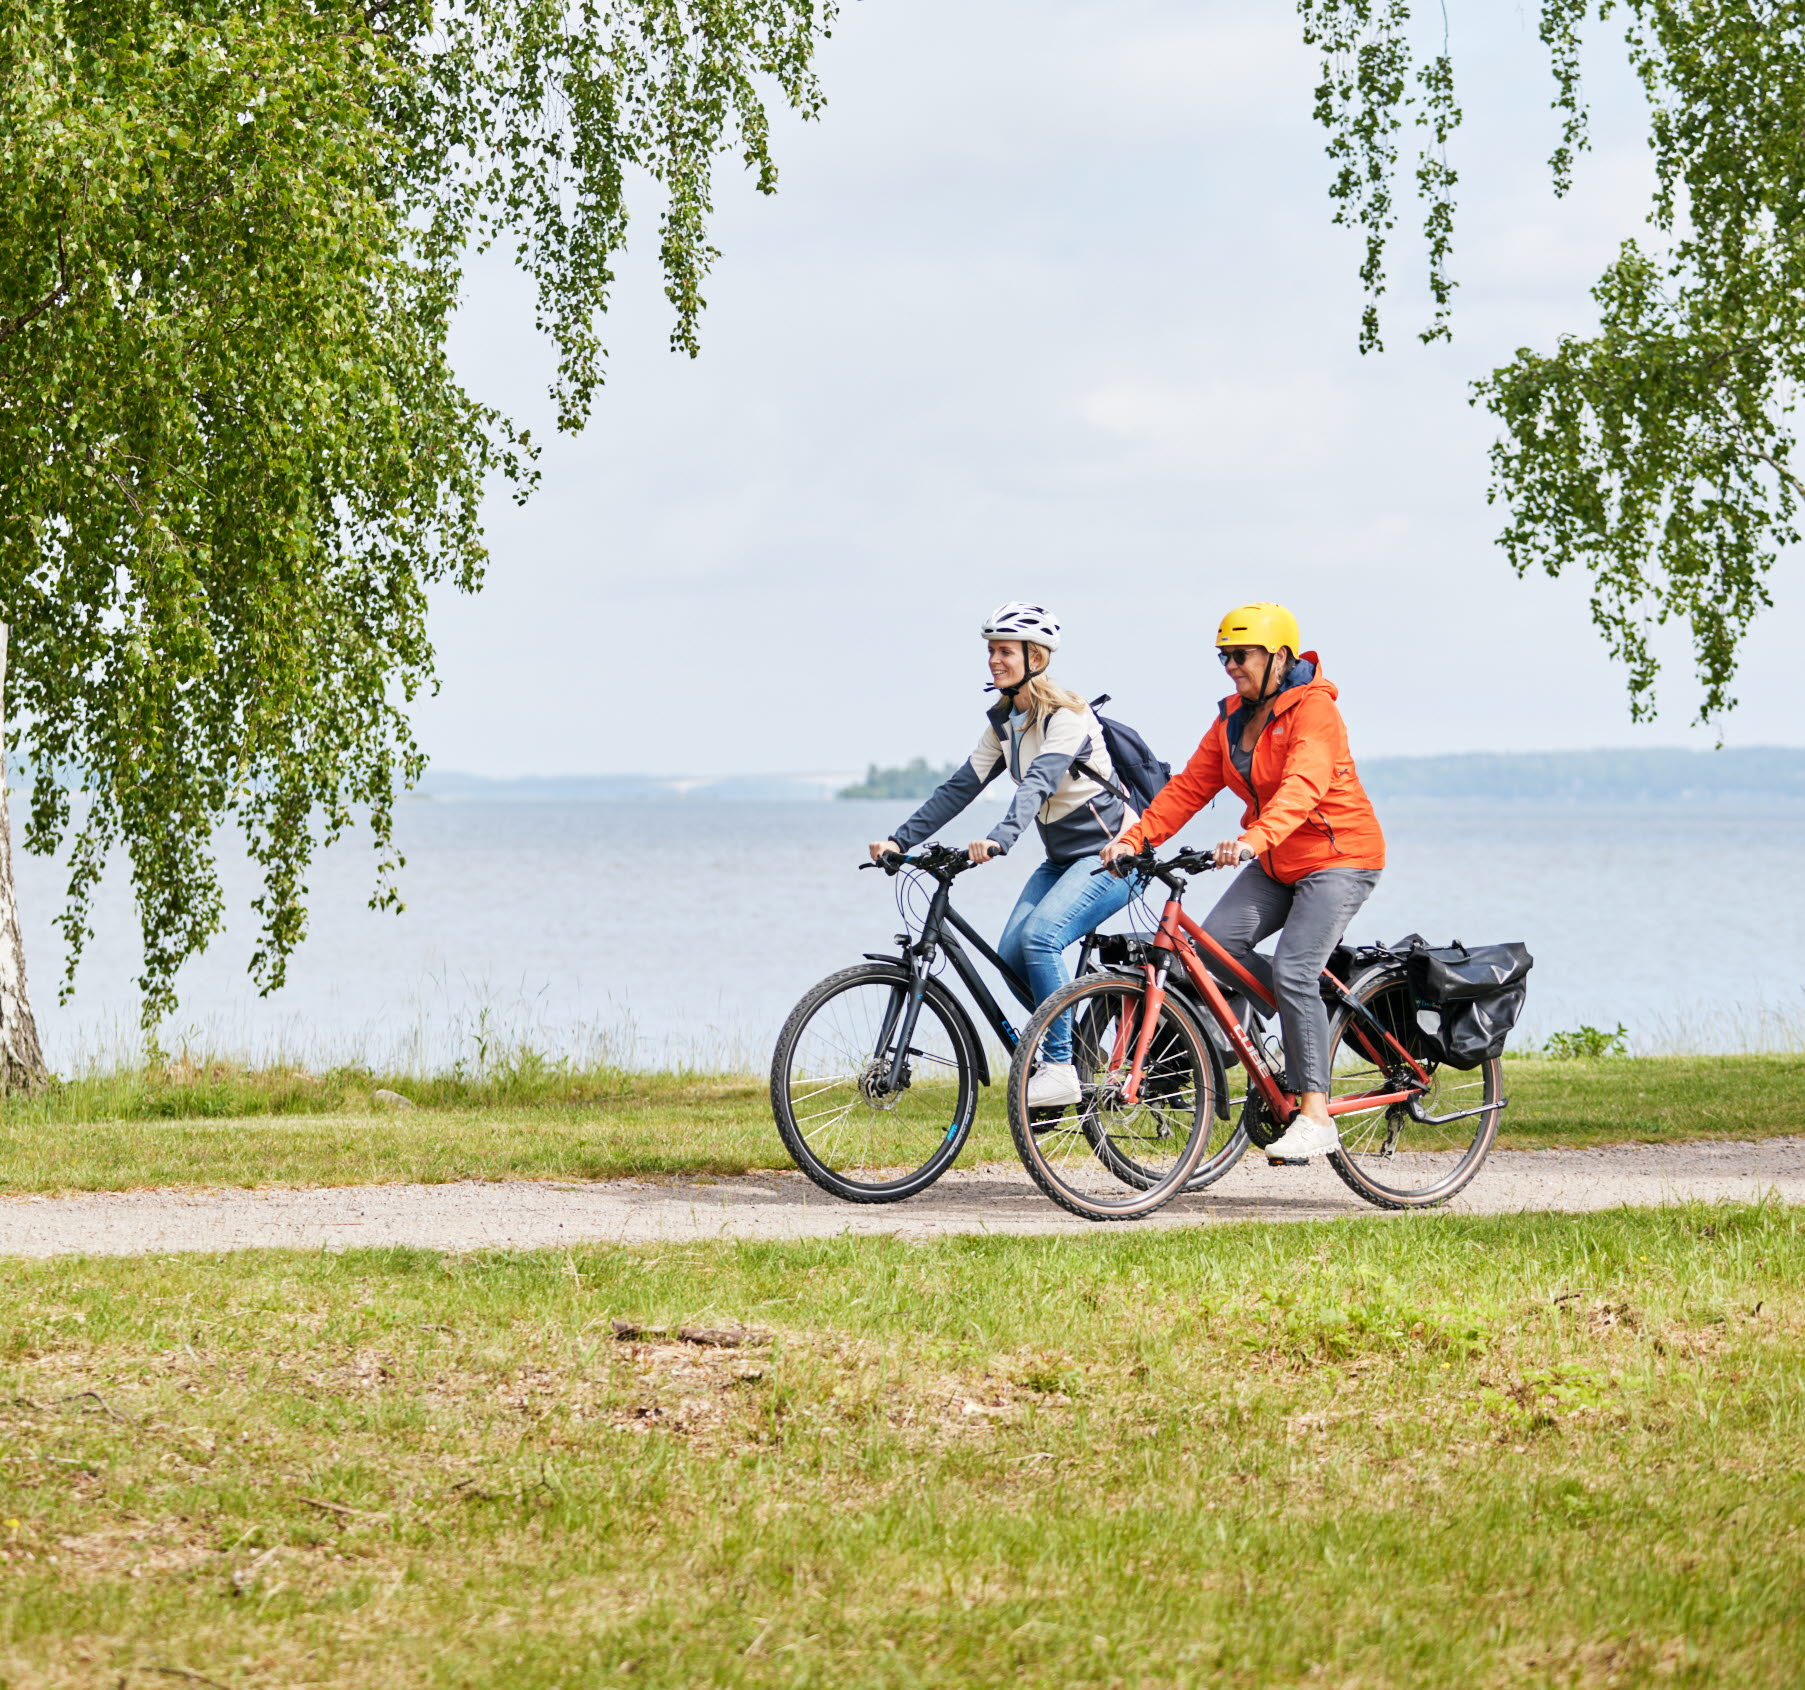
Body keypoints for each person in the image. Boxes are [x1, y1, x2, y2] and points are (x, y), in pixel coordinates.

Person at [1101, 602, 1385, 1162]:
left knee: (1295, 965)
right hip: (1278, 861)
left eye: (1241, 655)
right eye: (1223, 656)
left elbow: (1302, 788)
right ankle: (1310, 1011)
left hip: (1339, 856)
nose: (1230, 665)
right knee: (1213, 950)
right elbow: (1187, 789)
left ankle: (1315, 1113)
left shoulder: (1315, 712)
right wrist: (1136, 838)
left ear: (1279, 656)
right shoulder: (1233, 717)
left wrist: (1254, 839)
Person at [868, 602, 1140, 1107]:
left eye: (1005, 651)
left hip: (1113, 856)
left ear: (1035, 656)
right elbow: (958, 788)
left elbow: (1037, 785)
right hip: (1062, 860)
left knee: (1040, 939)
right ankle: (1075, 1048)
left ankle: (1057, 1065)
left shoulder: (1068, 718)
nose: (994, 660)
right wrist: (901, 840)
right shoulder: (1004, 724)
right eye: (991, 650)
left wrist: (1000, 838)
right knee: (1012, 956)